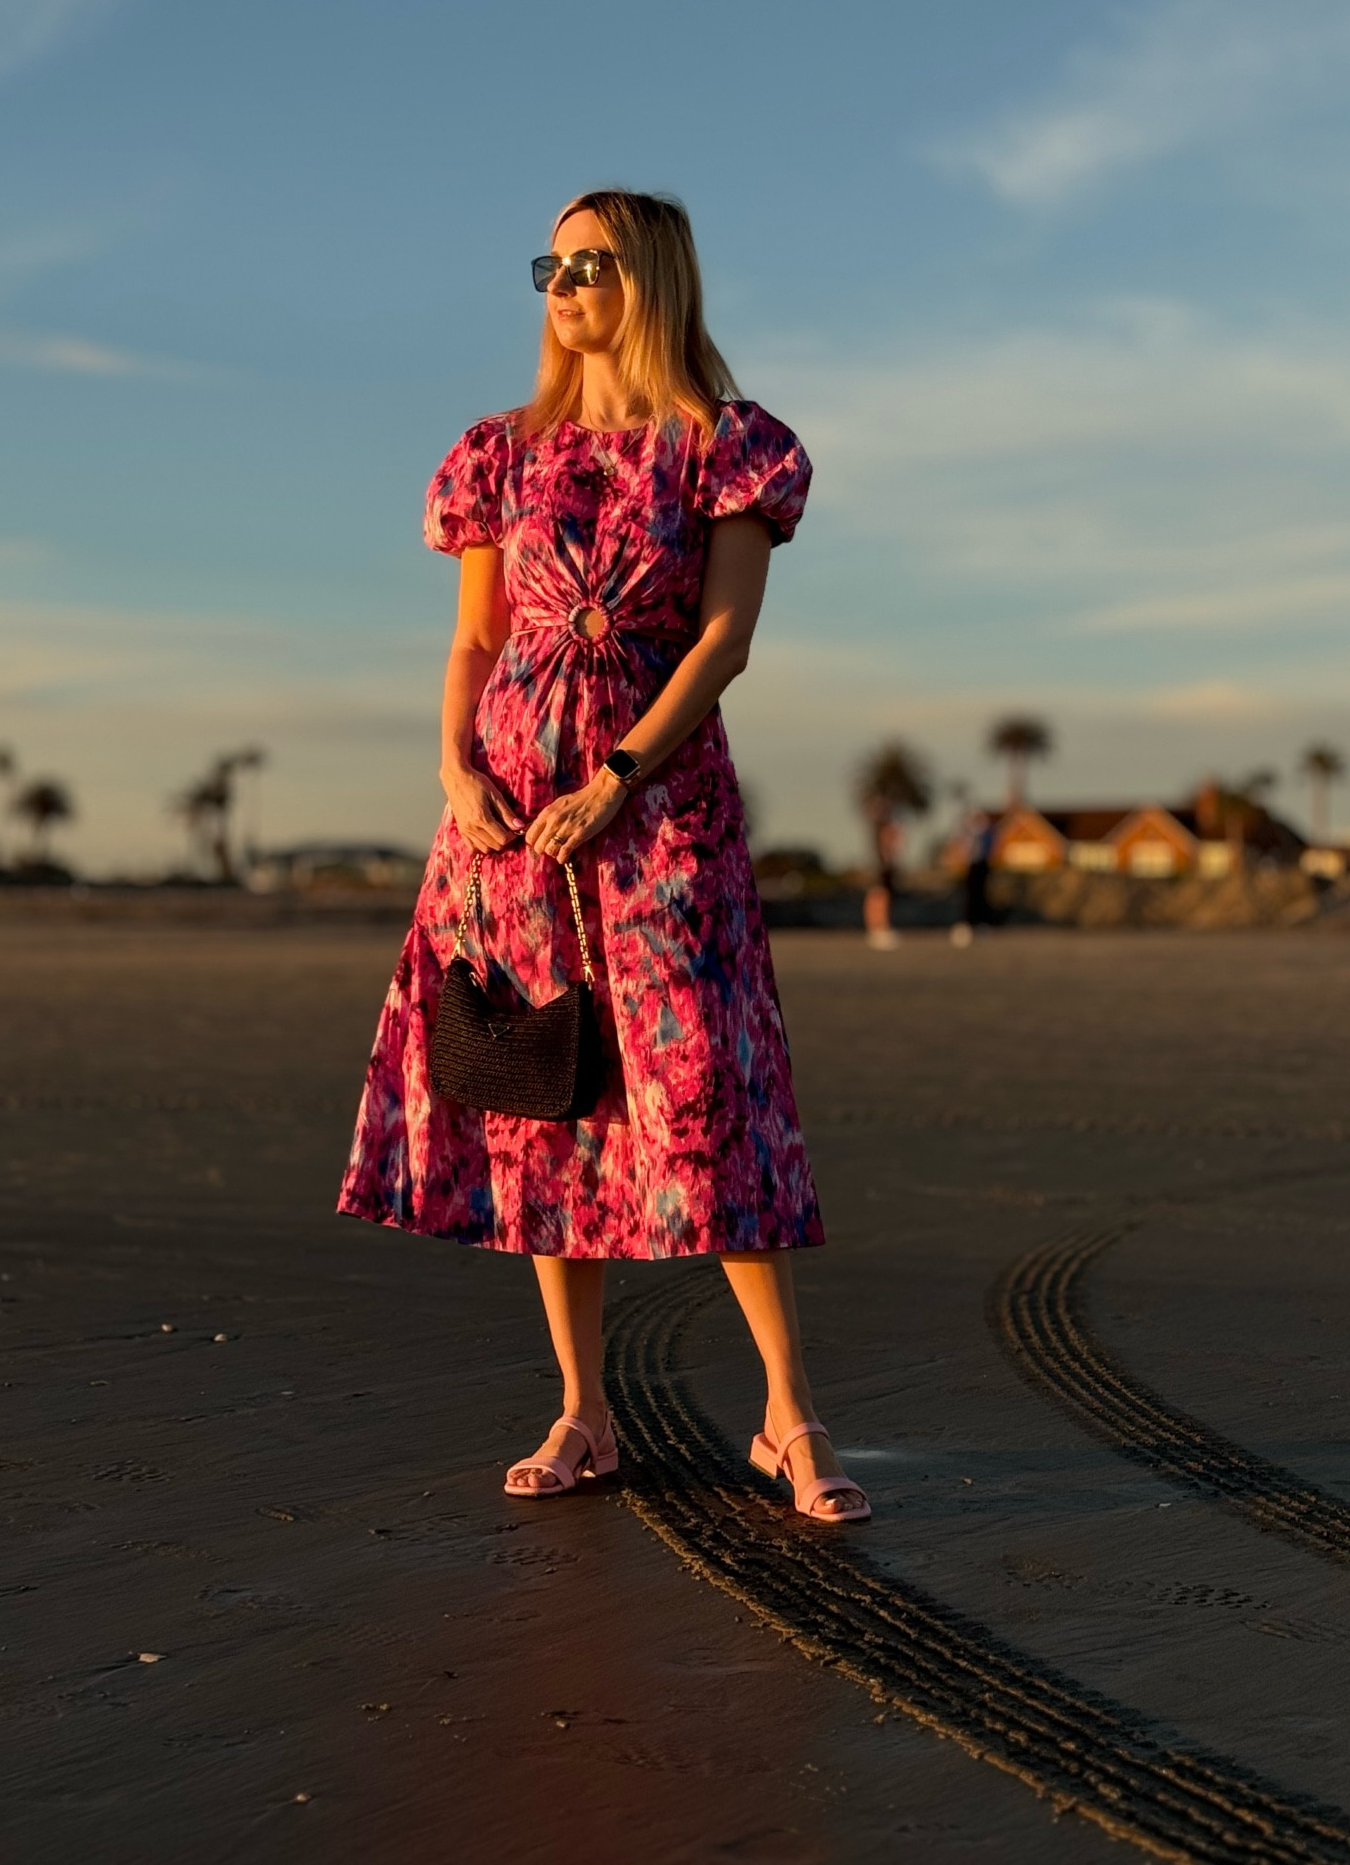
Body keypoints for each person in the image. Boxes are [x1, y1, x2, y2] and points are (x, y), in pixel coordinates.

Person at [339, 189, 868, 1523]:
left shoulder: (726, 448)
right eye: (550, 265)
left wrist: (624, 774)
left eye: (592, 263)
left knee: (705, 1092)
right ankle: (585, 1411)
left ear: (656, 278)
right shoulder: (497, 453)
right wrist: (458, 770)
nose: (565, 285)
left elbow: (724, 640)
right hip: (507, 816)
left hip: (660, 804)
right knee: (543, 1093)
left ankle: (789, 1417)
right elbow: (474, 640)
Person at [951, 807, 995, 948]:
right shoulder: (969, 831)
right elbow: (962, 847)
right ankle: (968, 923)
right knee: (970, 895)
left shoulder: (987, 831)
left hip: (982, 865)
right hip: (971, 866)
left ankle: (980, 922)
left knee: (981, 895)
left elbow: (991, 846)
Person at [862, 808, 903, 951]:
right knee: (880, 895)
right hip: (882, 866)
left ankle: (879, 928)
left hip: (883, 865)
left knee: (881, 894)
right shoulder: (880, 857)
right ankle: (878, 928)